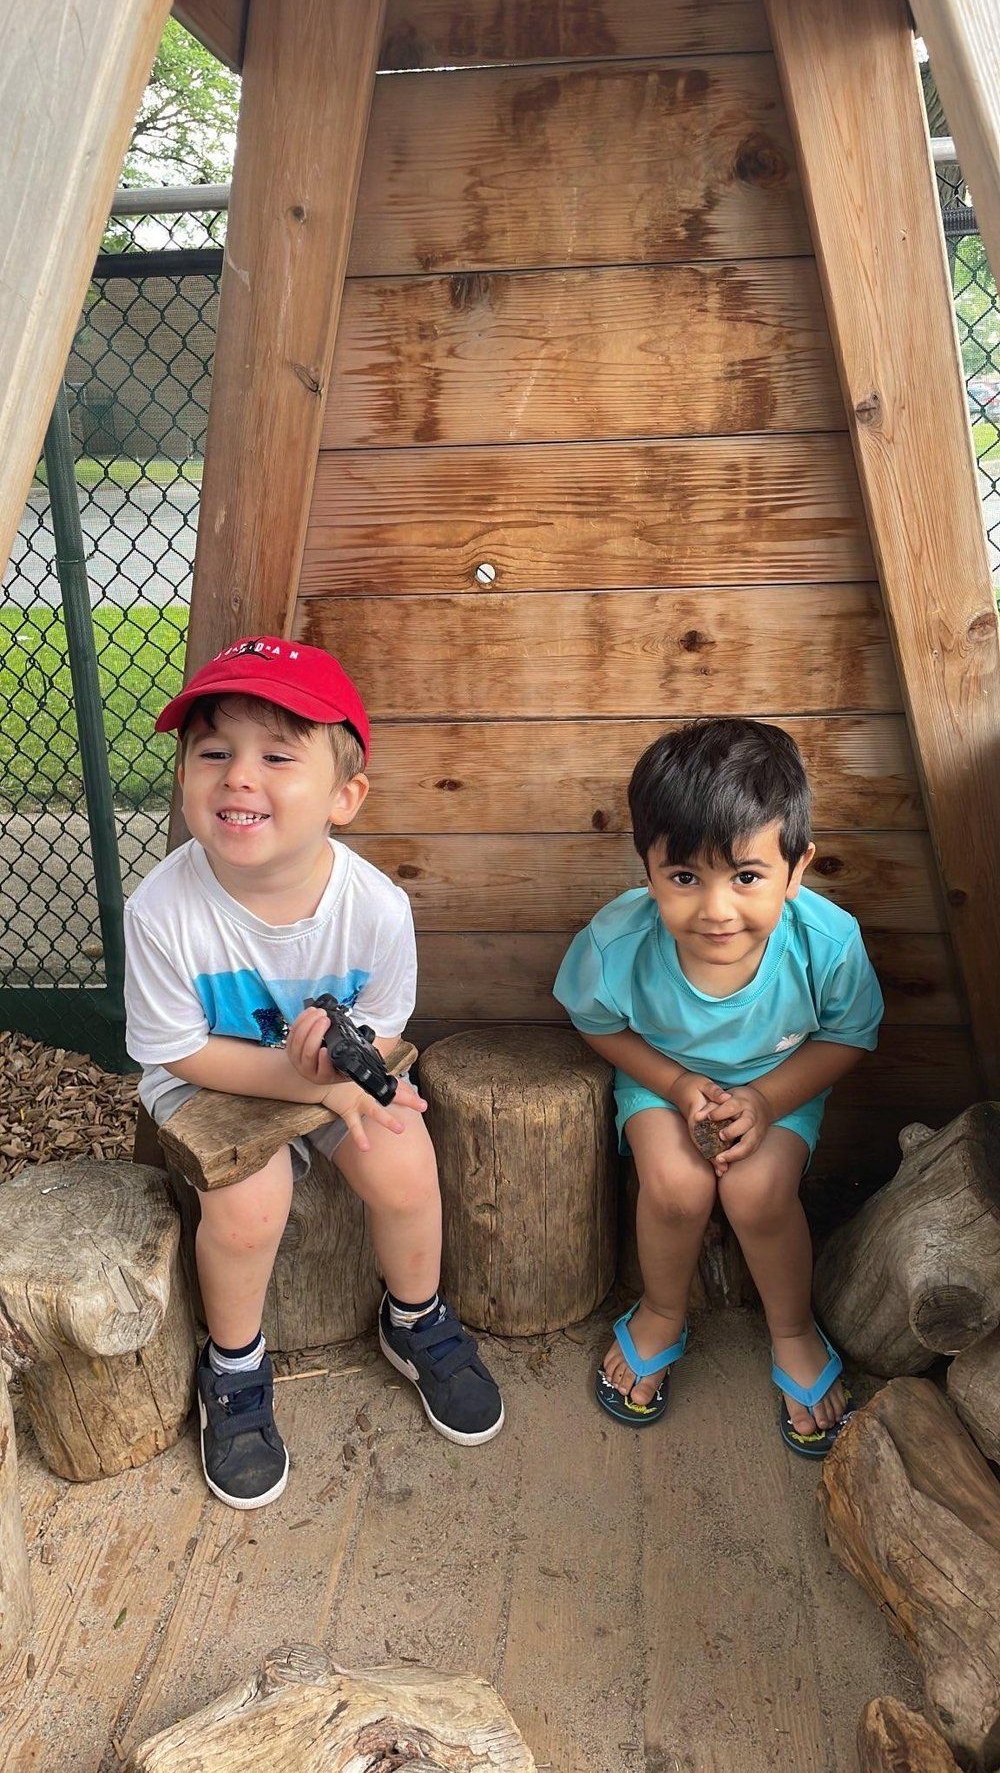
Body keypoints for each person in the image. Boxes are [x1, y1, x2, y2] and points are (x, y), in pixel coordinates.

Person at [124, 636, 503, 1510]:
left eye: (277, 756)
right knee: (252, 1206)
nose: (238, 776)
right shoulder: (163, 910)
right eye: (212, 752)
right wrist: (313, 1086)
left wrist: (342, 1055)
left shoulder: (374, 906)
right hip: (208, 1083)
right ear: (184, 776)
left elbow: (387, 1017)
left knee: (404, 1157)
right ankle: (236, 1368)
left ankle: (414, 1319)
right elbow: (176, 1050)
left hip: (324, 1074)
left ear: (344, 796)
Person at [553, 719, 882, 1455]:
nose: (716, 909)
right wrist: (673, 1084)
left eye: (747, 875)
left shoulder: (827, 944)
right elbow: (597, 1024)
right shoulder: (617, 943)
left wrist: (766, 1101)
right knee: (673, 1186)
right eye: (683, 878)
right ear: (647, 871)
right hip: (665, 1081)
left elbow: (849, 1034)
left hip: (784, 1083)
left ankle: (791, 1328)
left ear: (797, 871)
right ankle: (664, 1312)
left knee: (757, 1194)